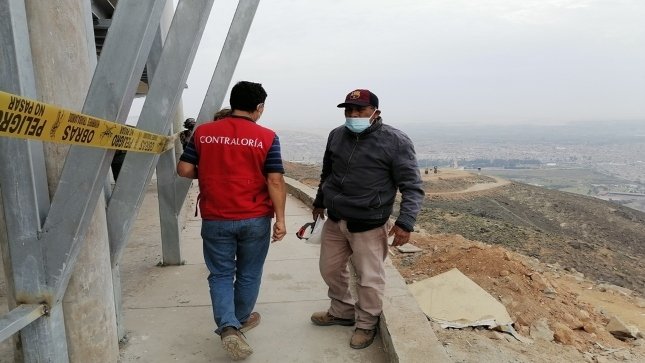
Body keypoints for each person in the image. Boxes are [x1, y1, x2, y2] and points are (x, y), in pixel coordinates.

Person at [176, 81, 287, 360]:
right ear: (259, 108)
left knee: (221, 274)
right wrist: (281, 219)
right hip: (254, 218)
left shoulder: (203, 133)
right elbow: (274, 179)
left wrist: (212, 173)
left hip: (217, 217)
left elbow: (184, 169)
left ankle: (229, 326)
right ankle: (238, 322)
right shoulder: (267, 136)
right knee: (249, 272)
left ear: (233, 101)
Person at [310, 89, 424, 349]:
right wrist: (319, 202)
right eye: (349, 110)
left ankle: (366, 325)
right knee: (328, 269)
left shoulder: (395, 141)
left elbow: (412, 186)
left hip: (369, 223)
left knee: (369, 278)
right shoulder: (336, 135)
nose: (353, 115)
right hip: (336, 220)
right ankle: (342, 311)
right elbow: (327, 173)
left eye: (360, 110)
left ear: (375, 113)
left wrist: (406, 223)